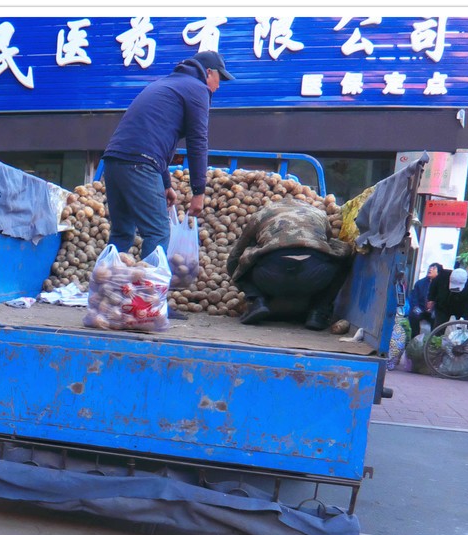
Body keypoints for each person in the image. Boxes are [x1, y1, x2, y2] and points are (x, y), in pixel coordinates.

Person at [102, 50, 233, 264]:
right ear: (209, 73)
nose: (219, 86)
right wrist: (199, 191)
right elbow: (197, 141)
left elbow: (155, 140)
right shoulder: (198, 89)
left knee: (122, 233)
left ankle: (104, 290)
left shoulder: (167, 83)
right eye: (220, 79)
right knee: (157, 232)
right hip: (140, 163)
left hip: (113, 160)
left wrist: (165, 183)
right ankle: (148, 294)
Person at [225, 200, 354, 329]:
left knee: (247, 255)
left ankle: (256, 300)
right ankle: (319, 311)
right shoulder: (319, 214)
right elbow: (326, 239)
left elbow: (235, 255)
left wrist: (239, 279)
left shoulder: (261, 214)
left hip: (270, 275)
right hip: (315, 274)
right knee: (344, 256)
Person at [407, 263, 441, 339]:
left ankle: (433, 341)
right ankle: (415, 340)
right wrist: (416, 308)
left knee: (437, 320)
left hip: (433, 311)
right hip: (421, 309)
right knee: (413, 315)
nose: (430, 269)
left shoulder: (441, 285)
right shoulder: (420, 283)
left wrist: (433, 308)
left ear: (438, 272)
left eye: (434, 268)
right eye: (430, 267)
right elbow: (414, 299)